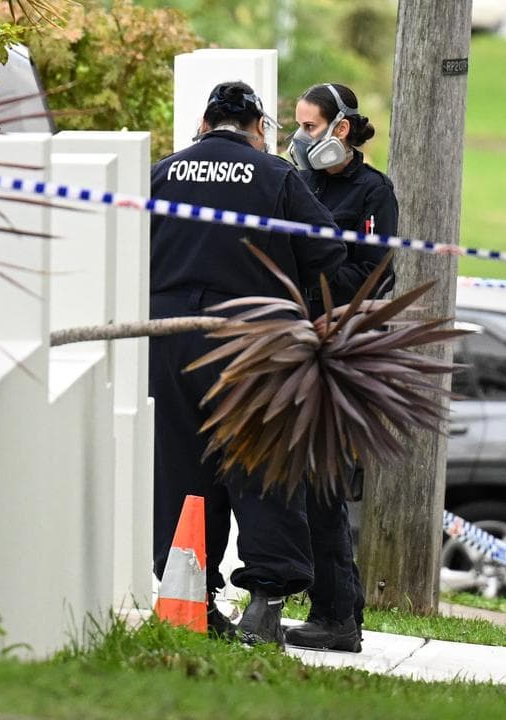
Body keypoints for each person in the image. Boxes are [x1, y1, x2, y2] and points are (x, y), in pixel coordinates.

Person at [149, 81, 346, 647]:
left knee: (182, 469)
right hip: (252, 343)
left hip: (170, 340)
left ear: (203, 124)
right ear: (259, 127)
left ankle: (191, 597)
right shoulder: (275, 176)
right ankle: (265, 604)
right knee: (261, 467)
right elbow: (328, 251)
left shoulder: (162, 174)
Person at [283, 83, 397, 653]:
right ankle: (338, 611)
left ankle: (337, 616)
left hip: (341, 353)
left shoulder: (374, 192)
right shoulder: (299, 183)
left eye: (309, 127)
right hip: (295, 343)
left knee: (323, 486)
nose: (300, 138)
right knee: (304, 488)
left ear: (340, 129)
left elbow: (373, 275)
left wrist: (310, 287)